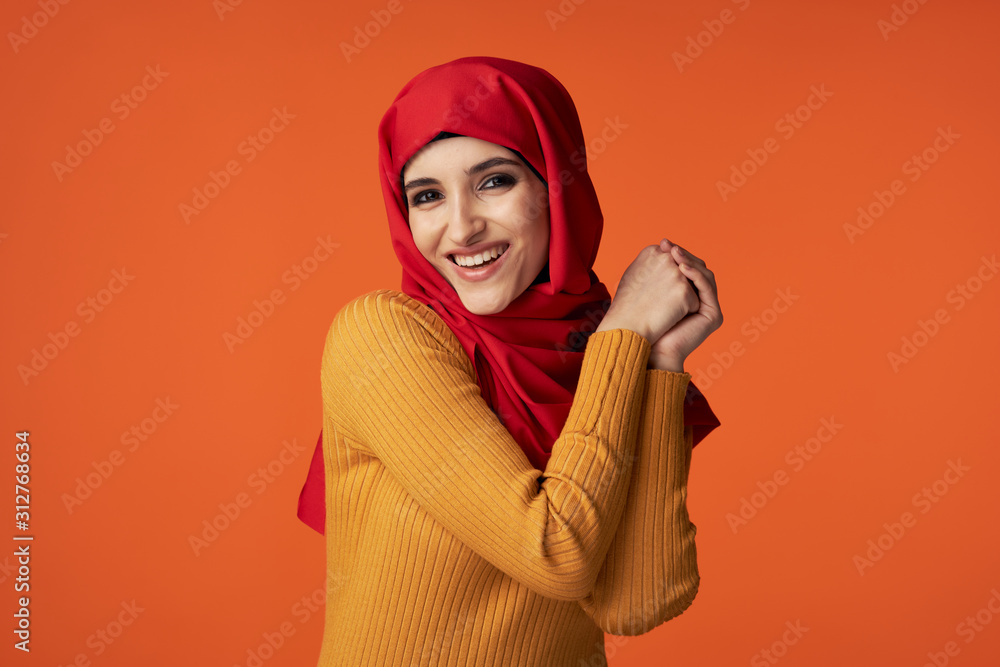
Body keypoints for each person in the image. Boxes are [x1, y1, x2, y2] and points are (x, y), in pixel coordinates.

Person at [296, 56, 722, 666]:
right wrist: (625, 335)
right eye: (427, 196)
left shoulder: (603, 353)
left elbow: (637, 603)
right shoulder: (384, 338)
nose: (462, 227)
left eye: (494, 181)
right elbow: (555, 553)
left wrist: (659, 362)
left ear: (556, 185)